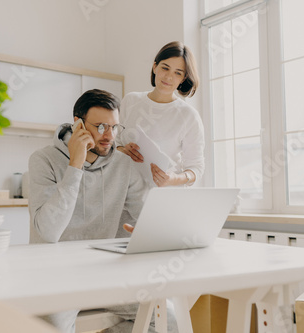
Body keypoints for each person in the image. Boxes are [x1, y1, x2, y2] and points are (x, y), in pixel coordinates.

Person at [28, 89, 178, 333]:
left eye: (114, 127)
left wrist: (152, 227)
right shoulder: (43, 160)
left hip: (106, 275)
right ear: (78, 125)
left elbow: (146, 214)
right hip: (56, 278)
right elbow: (48, 233)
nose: (109, 136)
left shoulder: (123, 164)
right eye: (100, 127)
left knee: (168, 319)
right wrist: (75, 164)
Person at [116, 41, 205, 188]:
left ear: (183, 78)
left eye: (178, 73)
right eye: (165, 68)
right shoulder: (131, 101)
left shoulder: (188, 115)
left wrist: (174, 179)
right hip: (127, 192)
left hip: (164, 196)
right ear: (155, 66)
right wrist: (122, 150)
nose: (169, 77)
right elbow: (113, 143)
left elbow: (196, 168)